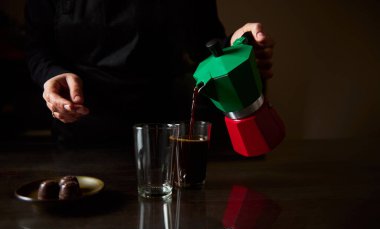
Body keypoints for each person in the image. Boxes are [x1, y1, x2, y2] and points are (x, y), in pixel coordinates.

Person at [25, 0, 274, 149]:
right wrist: (51, 75)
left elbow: (206, 43)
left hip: (166, 129)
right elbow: (37, 47)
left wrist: (234, 46)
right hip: (83, 128)